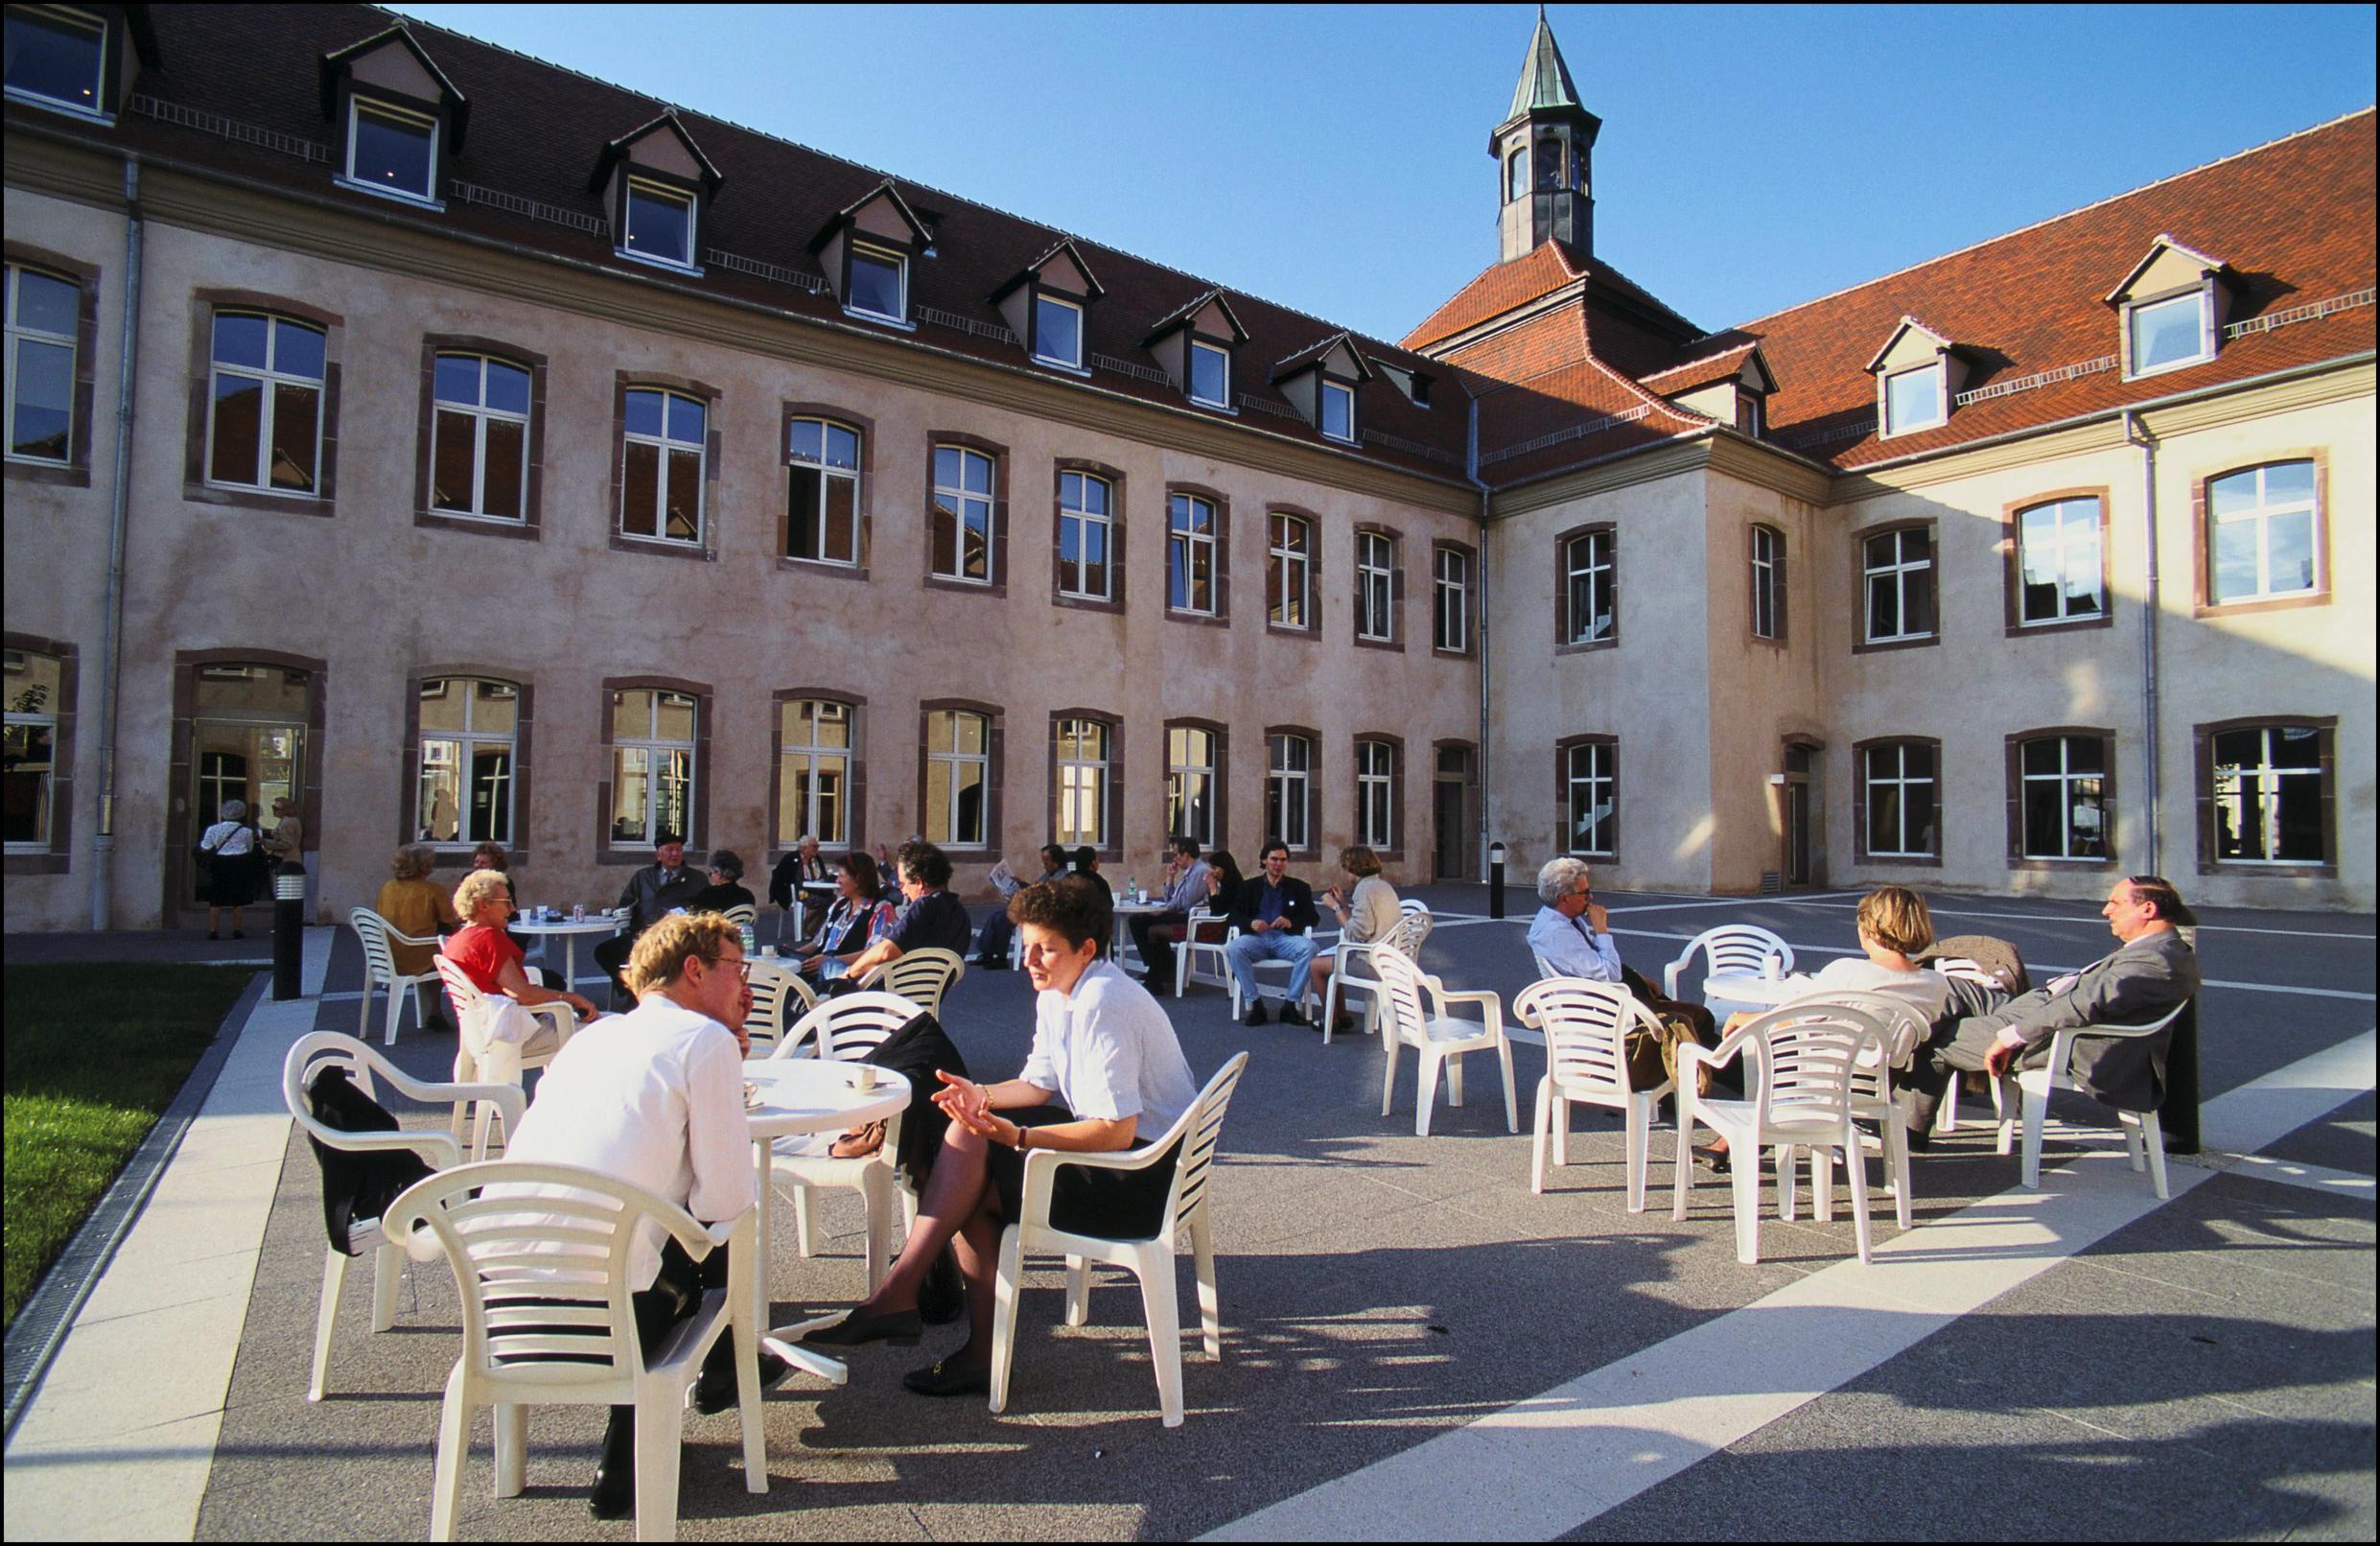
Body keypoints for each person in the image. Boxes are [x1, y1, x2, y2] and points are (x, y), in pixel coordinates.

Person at [802, 877, 1198, 1400]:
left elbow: (1116, 1127)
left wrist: (1018, 1137)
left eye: (1045, 949)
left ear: (1086, 949)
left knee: (969, 1173)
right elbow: (1036, 1085)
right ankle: (936, 1323)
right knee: (967, 1149)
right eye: (1025, 944)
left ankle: (916, 1309)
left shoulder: (1103, 1001)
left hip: (1140, 1179)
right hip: (1126, 1156)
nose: (1029, 959)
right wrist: (978, 1092)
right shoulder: (1064, 991)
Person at [491, 912, 779, 1519]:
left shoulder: (593, 1038)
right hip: (609, 1319)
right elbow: (725, 1203)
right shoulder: (706, 1043)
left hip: (499, 1302)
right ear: (695, 970)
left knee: (633, 1233)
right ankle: (702, 1391)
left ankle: (696, 1393)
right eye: (737, 969)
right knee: (696, 1243)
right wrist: (725, 1066)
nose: (746, 986)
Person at [1906, 876, 2202, 1133]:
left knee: (1935, 1033)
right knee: (1949, 992)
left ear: (2147, 909)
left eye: (2115, 903)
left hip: (2056, 1037)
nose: (2105, 910)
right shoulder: (2159, 949)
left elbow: (2082, 1005)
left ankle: (1908, 1129)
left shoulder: (2156, 960)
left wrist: (2011, 1037)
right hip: (2036, 1008)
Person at [441, 868, 597, 1053]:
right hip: (512, 1036)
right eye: (506, 902)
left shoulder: (457, 939)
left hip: (482, 1032)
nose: (512, 909)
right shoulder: (489, 939)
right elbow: (522, 994)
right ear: (483, 905)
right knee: (611, 1030)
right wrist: (571, 998)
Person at [594, 832, 706, 1004]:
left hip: (676, 937)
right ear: (659, 854)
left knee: (654, 958)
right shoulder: (643, 877)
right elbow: (626, 902)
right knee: (605, 951)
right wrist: (623, 911)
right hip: (643, 934)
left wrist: (686, 915)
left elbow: (705, 910)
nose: (675, 854)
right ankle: (632, 989)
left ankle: (641, 997)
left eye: (678, 850)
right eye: (670, 850)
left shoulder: (696, 879)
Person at [841, 840, 974, 982]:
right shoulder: (961, 914)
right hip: (927, 992)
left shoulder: (924, 906)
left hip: (891, 991)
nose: (903, 892)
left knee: (829, 966)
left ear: (919, 882)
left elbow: (885, 951)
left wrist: (849, 973)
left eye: (903, 884)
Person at [1224, 841, 1320, 1026]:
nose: (1278, 864)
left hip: (1285, 938)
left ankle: (1291, 1003)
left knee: (1310, 948)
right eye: (1274, 859)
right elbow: (1233, 916)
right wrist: (1251, 923)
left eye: (1283, 860)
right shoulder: (1248, 887)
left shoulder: (1299, 887)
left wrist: (1290, 921)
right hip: (1256, 938)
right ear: (1264, 860)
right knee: (1235, 948)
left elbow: (1312, 917)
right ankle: (1255, 1003)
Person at [1306, 845, 1400, 1034]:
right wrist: (1343, 903)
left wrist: (1335, 908)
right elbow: (1361, 920)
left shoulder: (1364, 889)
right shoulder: (1382, 885)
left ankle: (1331, 1019)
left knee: (1316, 965)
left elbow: (1358, 932)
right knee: (1332, 960)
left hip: (1372, 962)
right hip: (1391, 957)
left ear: (1352, 868)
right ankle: (1343, 1017)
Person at [792, 850, 898, 982]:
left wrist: (831, 959)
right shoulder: (839, 906)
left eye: (842, 876)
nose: (837, 881)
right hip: (823, 970)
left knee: (829, 966)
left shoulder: (880, 909)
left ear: (858, 879)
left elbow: (875, 953)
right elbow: (817, 942)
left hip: (853, 975)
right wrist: (792, 955)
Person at [1131, 837, 1212, 988]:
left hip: (1190, 918)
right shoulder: (1190, 872)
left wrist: (1162, 912)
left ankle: (1160, 968)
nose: (1175, 858)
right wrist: (1170, 877)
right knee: (1138, 920)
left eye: (1176, 855)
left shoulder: (1200, 872)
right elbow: (1173, 900)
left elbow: (1184, 903)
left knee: (1140, 922)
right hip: (1181, 914)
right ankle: (1160, 966)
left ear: (1186, 855)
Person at [1527, 856, 1622, 983]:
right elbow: (1612, 974)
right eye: (1585, 893)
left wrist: (1638, 979)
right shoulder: (1557, 933)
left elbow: (1596, 951)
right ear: (1565, 898)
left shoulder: (1559, 917)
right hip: (1589, 998)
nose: (1591, 897)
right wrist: (1601, 930)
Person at [376, 844, 461, 984]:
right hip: (419, 958)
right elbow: (450, 922)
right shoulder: (432, 890)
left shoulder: (388, 888)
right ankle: (434, 1005)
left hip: (387, 955)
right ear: (424, 866)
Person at [975, 845, 1066, 968]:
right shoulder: (1049, 874)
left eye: (1046, 862)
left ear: (1056, 862)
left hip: (1043, 912)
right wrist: (1021, 884)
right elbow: (1035, 888)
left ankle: (1001, 958)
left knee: (1004, 919)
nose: (1044, 865)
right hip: (1033, 907)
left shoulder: (1061, 877)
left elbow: (1044, 895)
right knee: (995, 916)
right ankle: (987, 953)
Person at [197, 798, 265, 940]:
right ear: (241, 814)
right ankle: (237, 930)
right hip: (239, 863)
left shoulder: (213, 829)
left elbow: (205, 847)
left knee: (216, 899)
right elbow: (249, 848)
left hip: (220, 863)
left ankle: (213, 930)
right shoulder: (246, 831)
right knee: (238, 899)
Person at [686, 849, 756, 915]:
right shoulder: (747, 895)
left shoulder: (708, 894)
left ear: (718, 873)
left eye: (711, 873)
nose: (711, 876)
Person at [262, 796, 304, 874]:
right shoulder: (289, 820)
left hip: (287, 860)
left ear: (286, 810)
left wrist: (265, 842)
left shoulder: (287, 822)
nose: (274, 811)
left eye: (277, 809)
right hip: (288, 860)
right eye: (273, 808)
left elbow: (287, 843)